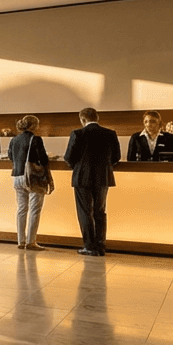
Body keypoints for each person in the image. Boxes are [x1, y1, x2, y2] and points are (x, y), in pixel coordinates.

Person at [64, 107, 121, 256]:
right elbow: (116, 157)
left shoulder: (77, 133)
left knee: (85, 212)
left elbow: (68, 157)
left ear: (82, 120)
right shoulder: (110, 134)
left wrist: (77, 167)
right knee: (100, 211)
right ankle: (101, 245)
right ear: (98, 117)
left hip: (82, 178)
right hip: (103, 177)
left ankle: (89, 246)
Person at [8, 115, 49, 250]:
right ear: (33, 125)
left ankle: (21, 241)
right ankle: (31, 242)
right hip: (32, 177)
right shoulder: (35, 139)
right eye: (37, 124)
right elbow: (43, 159)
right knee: (34, 210)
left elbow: (10, 156)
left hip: (17, 176)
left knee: (21, 209)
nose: (38, 127)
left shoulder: (14, 139)